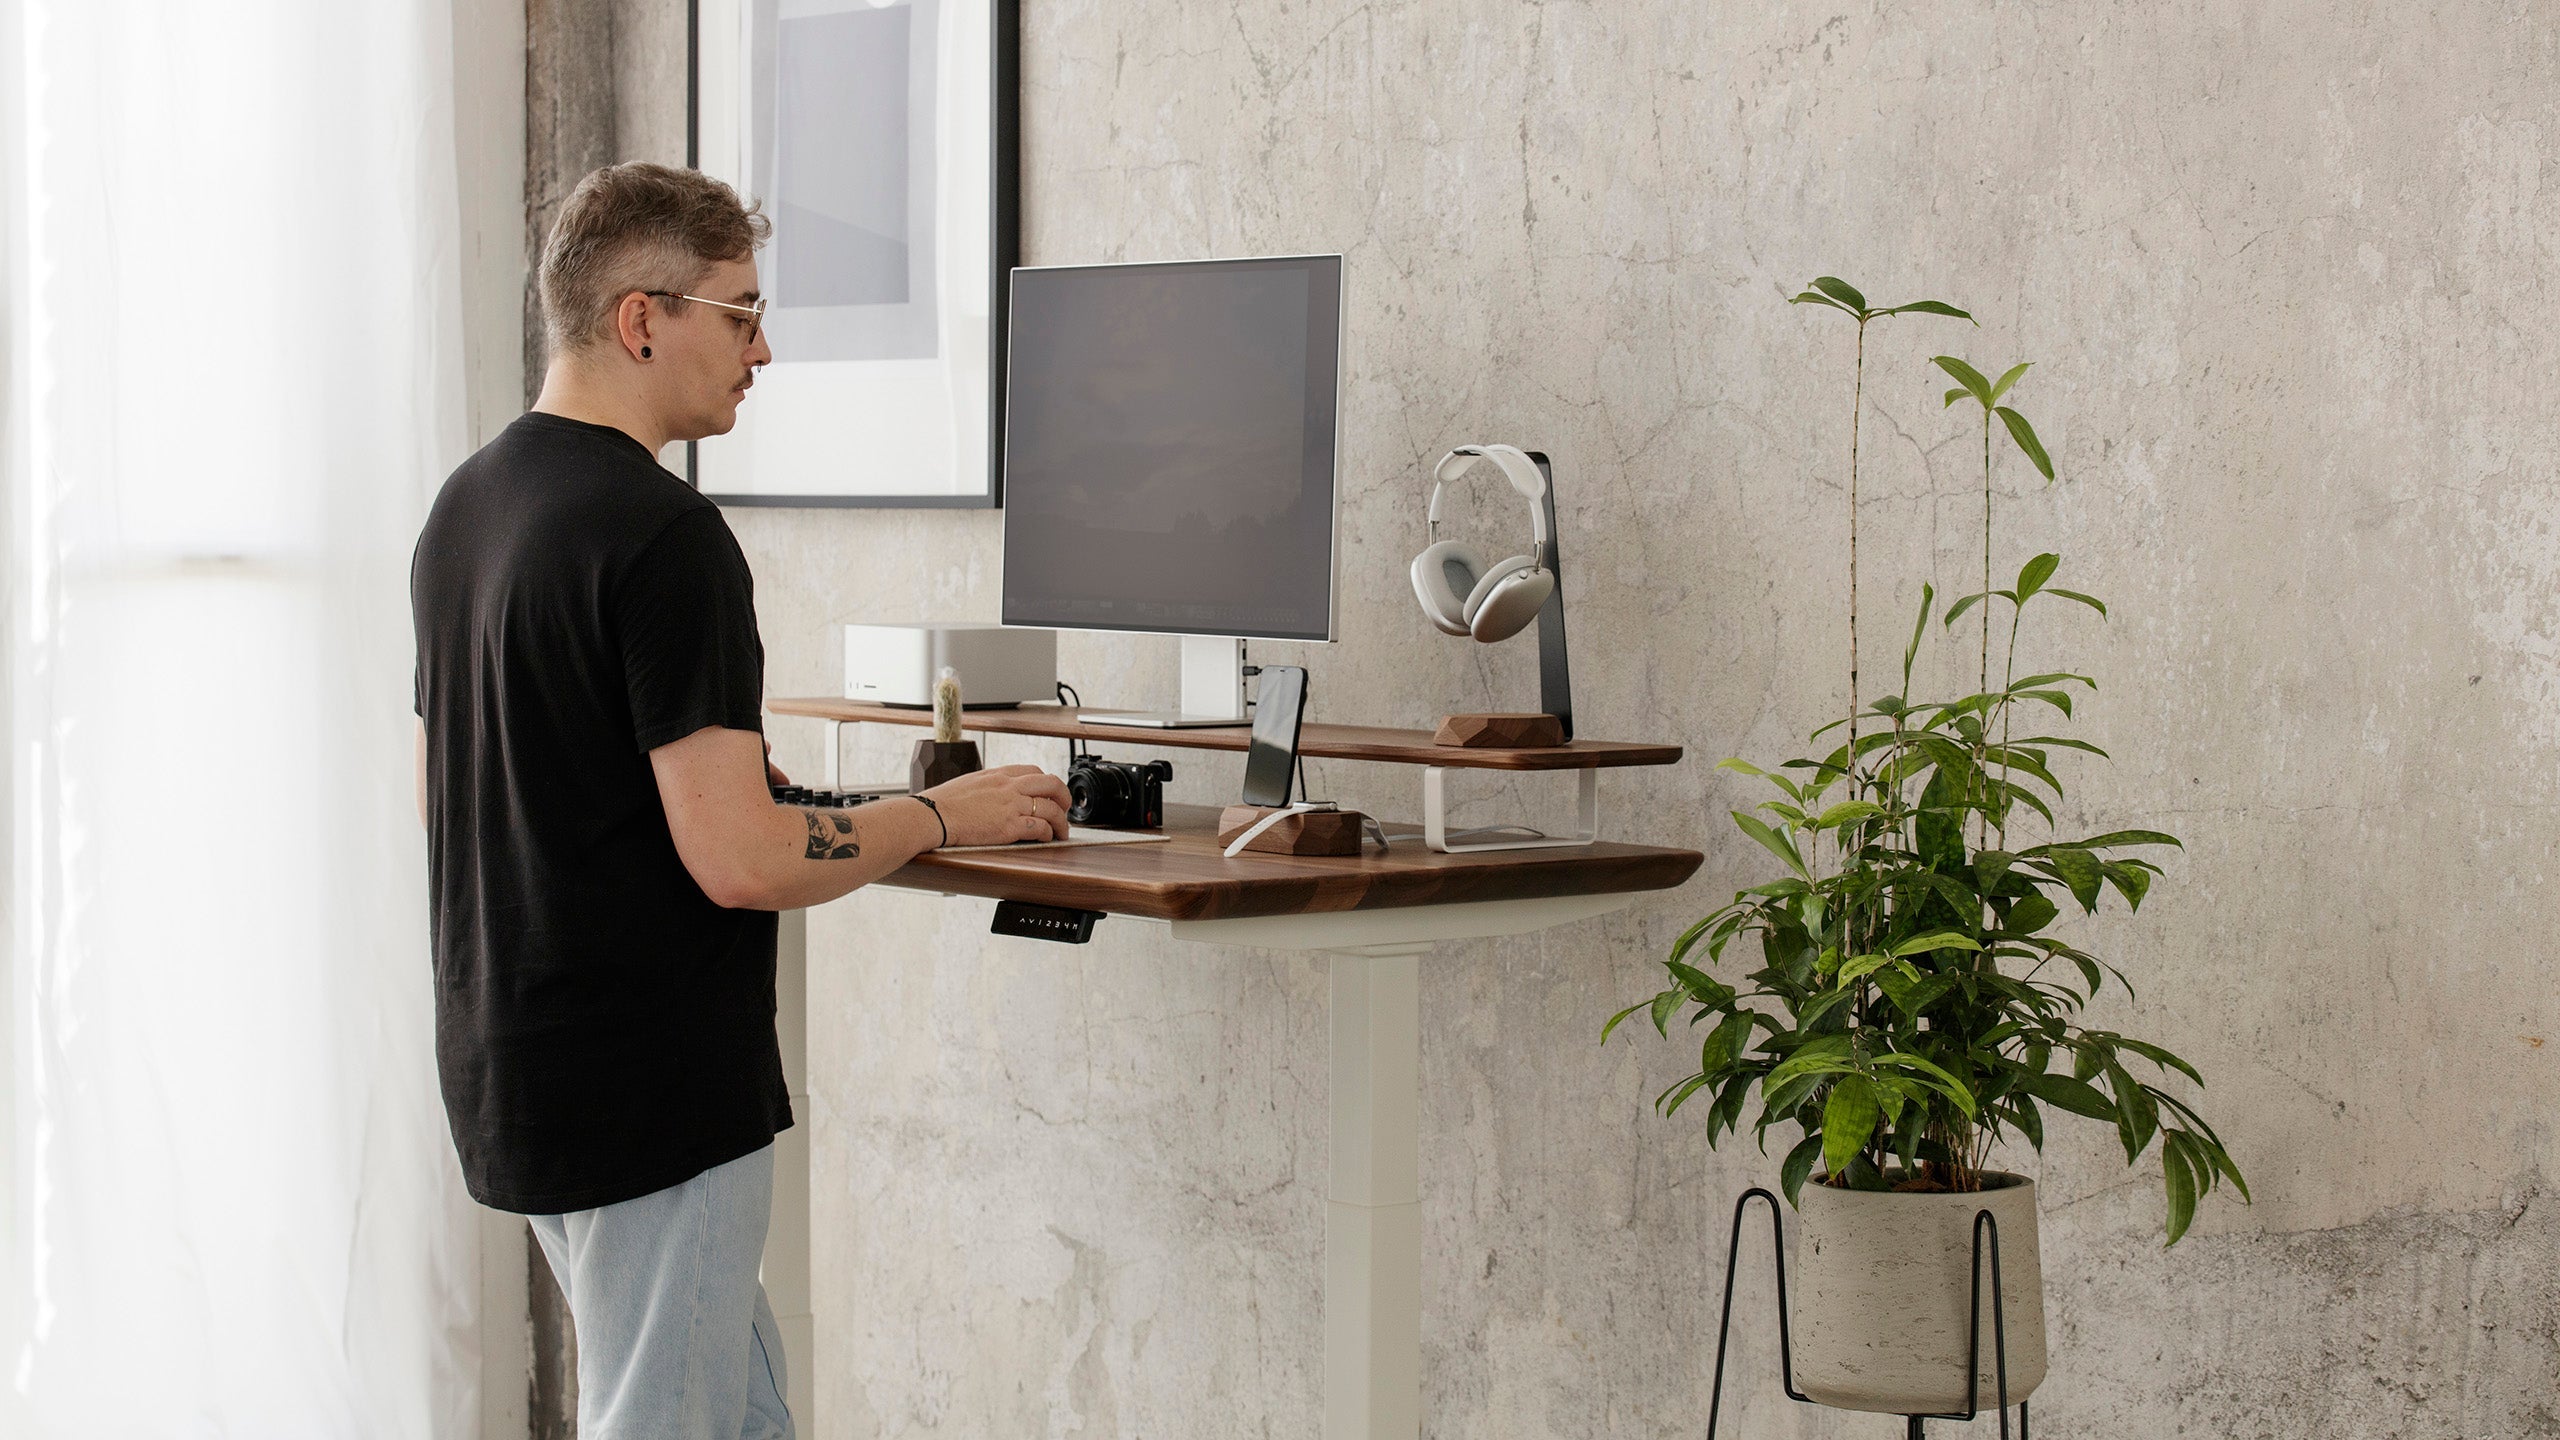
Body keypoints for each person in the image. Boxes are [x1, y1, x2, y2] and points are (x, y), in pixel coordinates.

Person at [409, 162, 1070, 1440]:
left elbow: (464, 799)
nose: (763, 350)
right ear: (641, 319)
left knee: (741, 1417)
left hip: (516, 1063)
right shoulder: (663, 537)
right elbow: (743, 861)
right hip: (648, 1090)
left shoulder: (468, 508)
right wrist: (942, 815)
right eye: (741, 313)